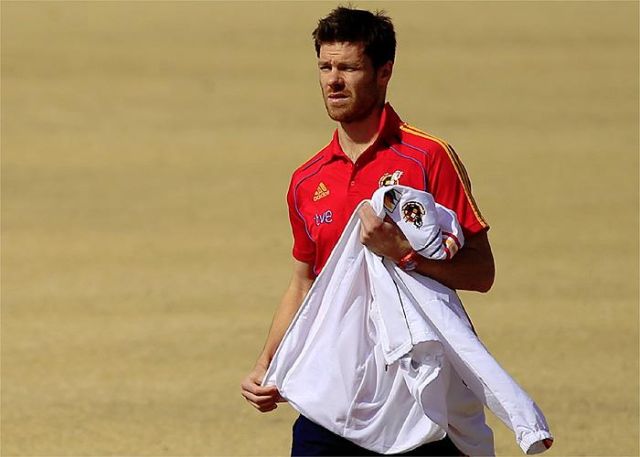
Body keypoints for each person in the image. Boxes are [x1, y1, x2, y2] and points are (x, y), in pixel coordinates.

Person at [240, 6, 495, 456]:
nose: (333, 81)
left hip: (417, 394)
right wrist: (267, 362)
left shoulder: (428, 157)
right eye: (325, 67)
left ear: (384, 72)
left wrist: (404, 254)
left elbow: (481, 272)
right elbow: (304, 282)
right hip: (333, 390)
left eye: (349, 68)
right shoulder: (307, 179)